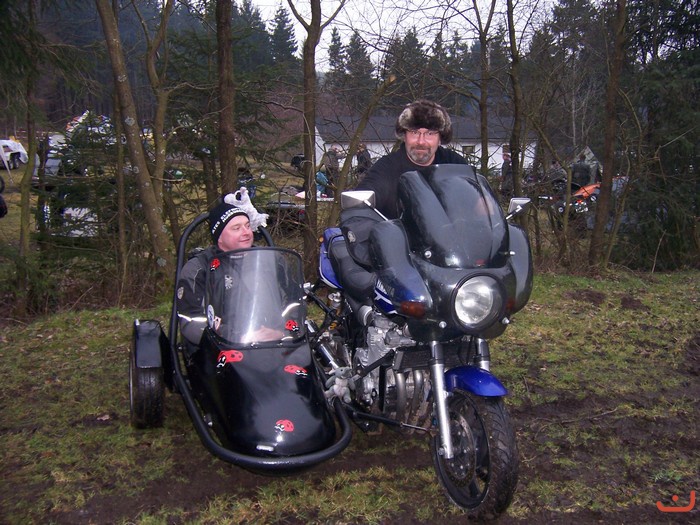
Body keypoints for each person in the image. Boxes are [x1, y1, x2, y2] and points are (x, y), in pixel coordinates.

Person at [353, 99, 467, 219]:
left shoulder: (454, 164)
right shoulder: (387, 169)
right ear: (404, 135)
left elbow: (476, 203)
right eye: (414, 132)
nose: (421, 141)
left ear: (440, 138)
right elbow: (360, 206)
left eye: (430, 133)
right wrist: (358, 216)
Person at [176, 200, 254, 346]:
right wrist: (241, 336)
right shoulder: (198, 269)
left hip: (271, 341)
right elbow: (192, 321)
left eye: (247, 226)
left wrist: (282, 330)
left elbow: (291, 304)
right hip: (220, 346)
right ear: (219, 237)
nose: (246, 232)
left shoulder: (268, 262)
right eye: (236, 228)